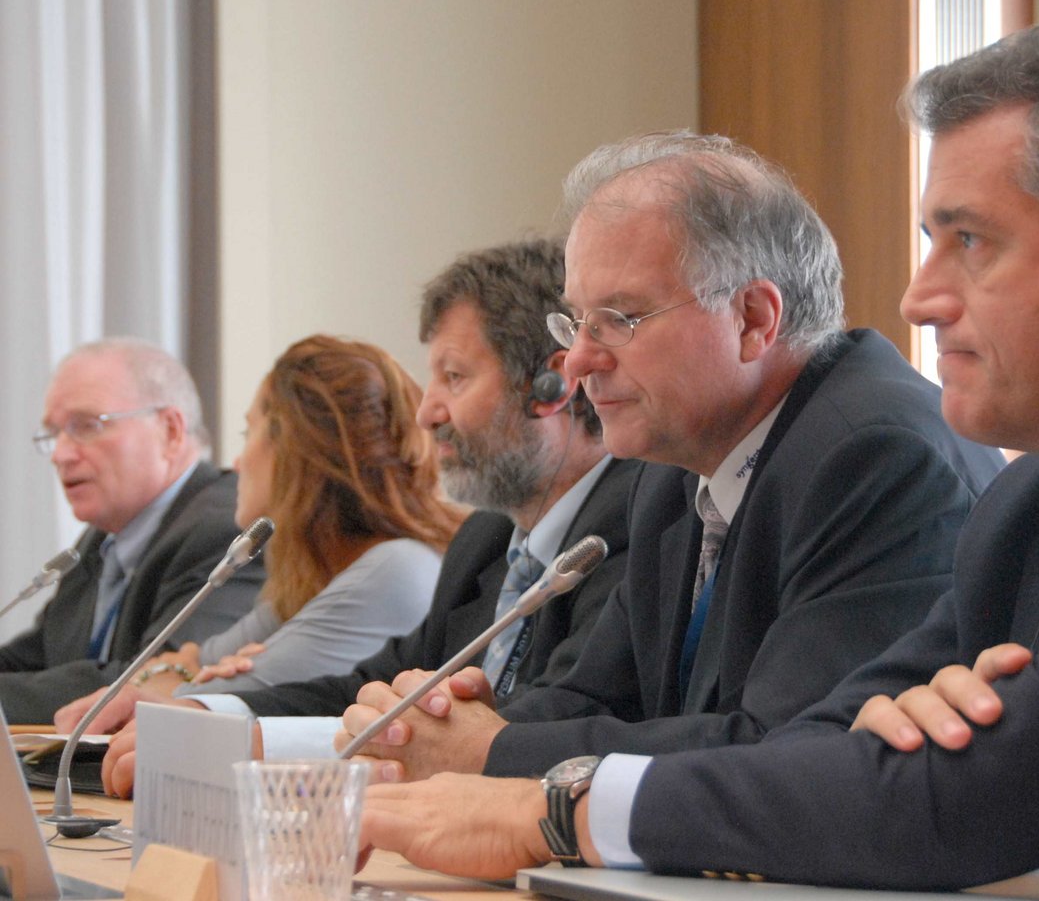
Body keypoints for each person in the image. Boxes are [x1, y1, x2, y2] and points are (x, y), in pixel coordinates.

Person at [354, 6, 1039, 900]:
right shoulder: (1038, 494)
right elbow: (820, 749)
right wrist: (894, 752)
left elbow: (970, 795)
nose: (916, 296)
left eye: (969, 241)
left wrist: (558, 808)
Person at [338, 132, 1004, 782]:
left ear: (753, 319)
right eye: (576, 322)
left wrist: (492, 755)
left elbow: (788, 747)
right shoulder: (670, 472)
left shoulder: (877, 457)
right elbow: (596, 698)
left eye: (620, 320)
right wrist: (444, 730)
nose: (578, 361)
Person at [96, 239, 639, 795]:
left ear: (552, 386)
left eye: (454, 377)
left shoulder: (636, 526)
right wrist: (215, 716)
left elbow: (549, 723)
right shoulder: (486, 540)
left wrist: (253, 746)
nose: (429, 412)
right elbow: (369, 686)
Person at [56, 334, 464, 722]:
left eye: (247, 433)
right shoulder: (313, 577)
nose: (237, 462)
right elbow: (190, 665)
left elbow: (197, 713)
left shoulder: (395, 569)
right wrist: (186, 674)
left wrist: (186, 678)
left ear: (293, 451)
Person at [0, 339, 263, 724]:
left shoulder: (226, 531)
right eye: (54, 434)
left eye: (86, 426)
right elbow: (37, 657)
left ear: (170, 431)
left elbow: (153, 679)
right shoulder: (102, 539)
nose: (61, 454)